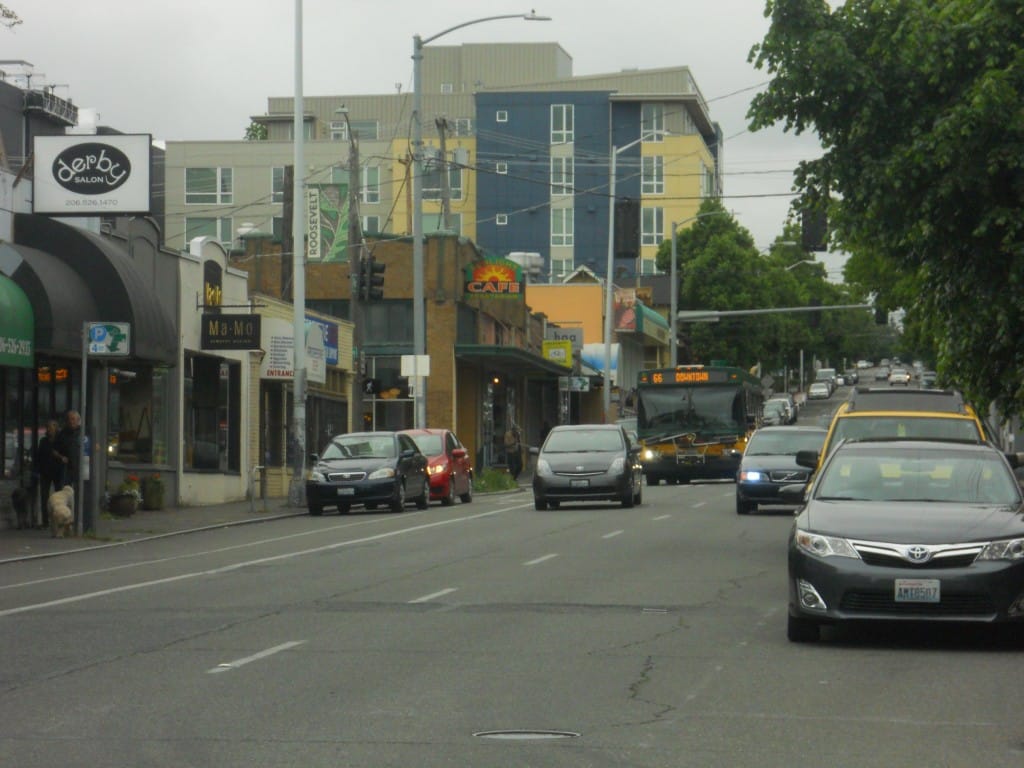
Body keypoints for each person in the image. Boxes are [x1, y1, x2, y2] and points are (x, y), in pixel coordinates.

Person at [35, 419, 61, 529]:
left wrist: (59, 456)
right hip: (45, 472)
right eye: (48, 428)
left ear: (56, 428)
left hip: (57, 471)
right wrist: (37, 469)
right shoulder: (43, 441)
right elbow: (39, 456)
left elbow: (65, 454)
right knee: (44, 496)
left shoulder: (60, 440)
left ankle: (58, 520)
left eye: (52, 427)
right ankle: (45, 521)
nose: (50, 430)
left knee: (58, 497)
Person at [53, 410, 81, 488]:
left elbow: (93, 445)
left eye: (73, 419)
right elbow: (54, 450)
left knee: (80, 491)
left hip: (80, 468)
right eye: (69, 419)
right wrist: (61, 457)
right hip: (66, 469)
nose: (70, 421)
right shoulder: (62, 434)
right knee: (65, 491)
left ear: (78, 420)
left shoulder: (83, 432)